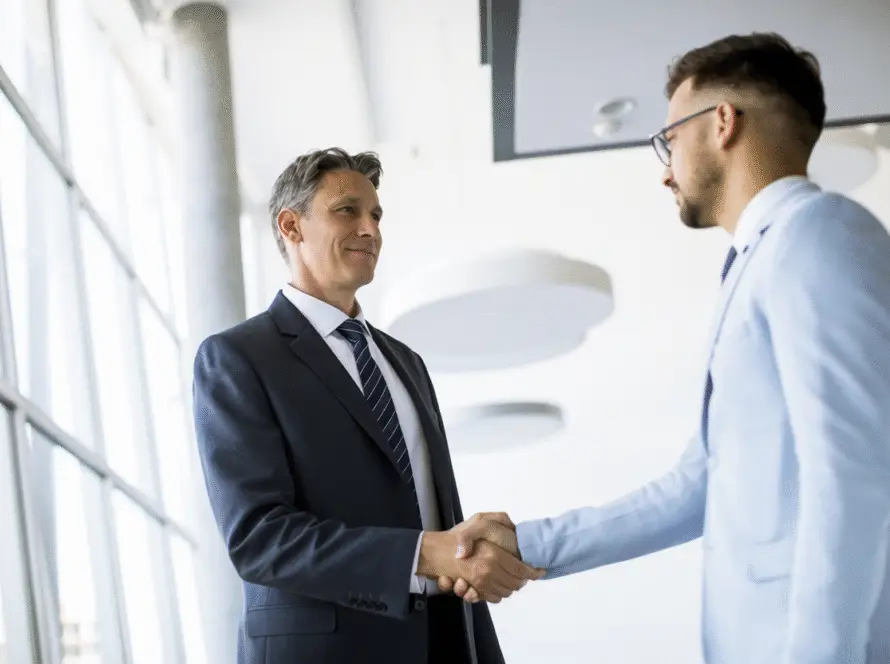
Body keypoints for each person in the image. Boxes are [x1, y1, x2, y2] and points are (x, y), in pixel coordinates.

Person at [442, 33, 890, 664]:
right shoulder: (756, 262)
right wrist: (529, 543)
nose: (664, 168)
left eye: (669, 139)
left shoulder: (818, 234)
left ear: (723, 123)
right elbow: (697, 485)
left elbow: (856, 472)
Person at [192, 148, 543, 664]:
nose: (370, 229)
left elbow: (431, 509)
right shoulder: (237, 357)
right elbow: (258, 538)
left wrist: (467, 557)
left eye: (376, 215)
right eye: (347, 211)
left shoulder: (407, 363)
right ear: (291, 226)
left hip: (445, 640)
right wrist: (425, 553)